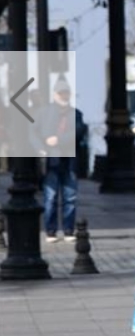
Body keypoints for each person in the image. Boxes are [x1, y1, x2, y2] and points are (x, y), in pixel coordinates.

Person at [34, 76, 86, 243]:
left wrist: (58, 139)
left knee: (70, 197)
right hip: (52, 161)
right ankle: (51, 231)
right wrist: (40, 148)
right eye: (60, 93)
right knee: (50, 197)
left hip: (69, 162)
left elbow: (78, 132)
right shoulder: (44, 113)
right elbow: (34, 133)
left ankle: (69, 230)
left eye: (66, 93)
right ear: (55, 95)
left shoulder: (76, 114)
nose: (64, 96)